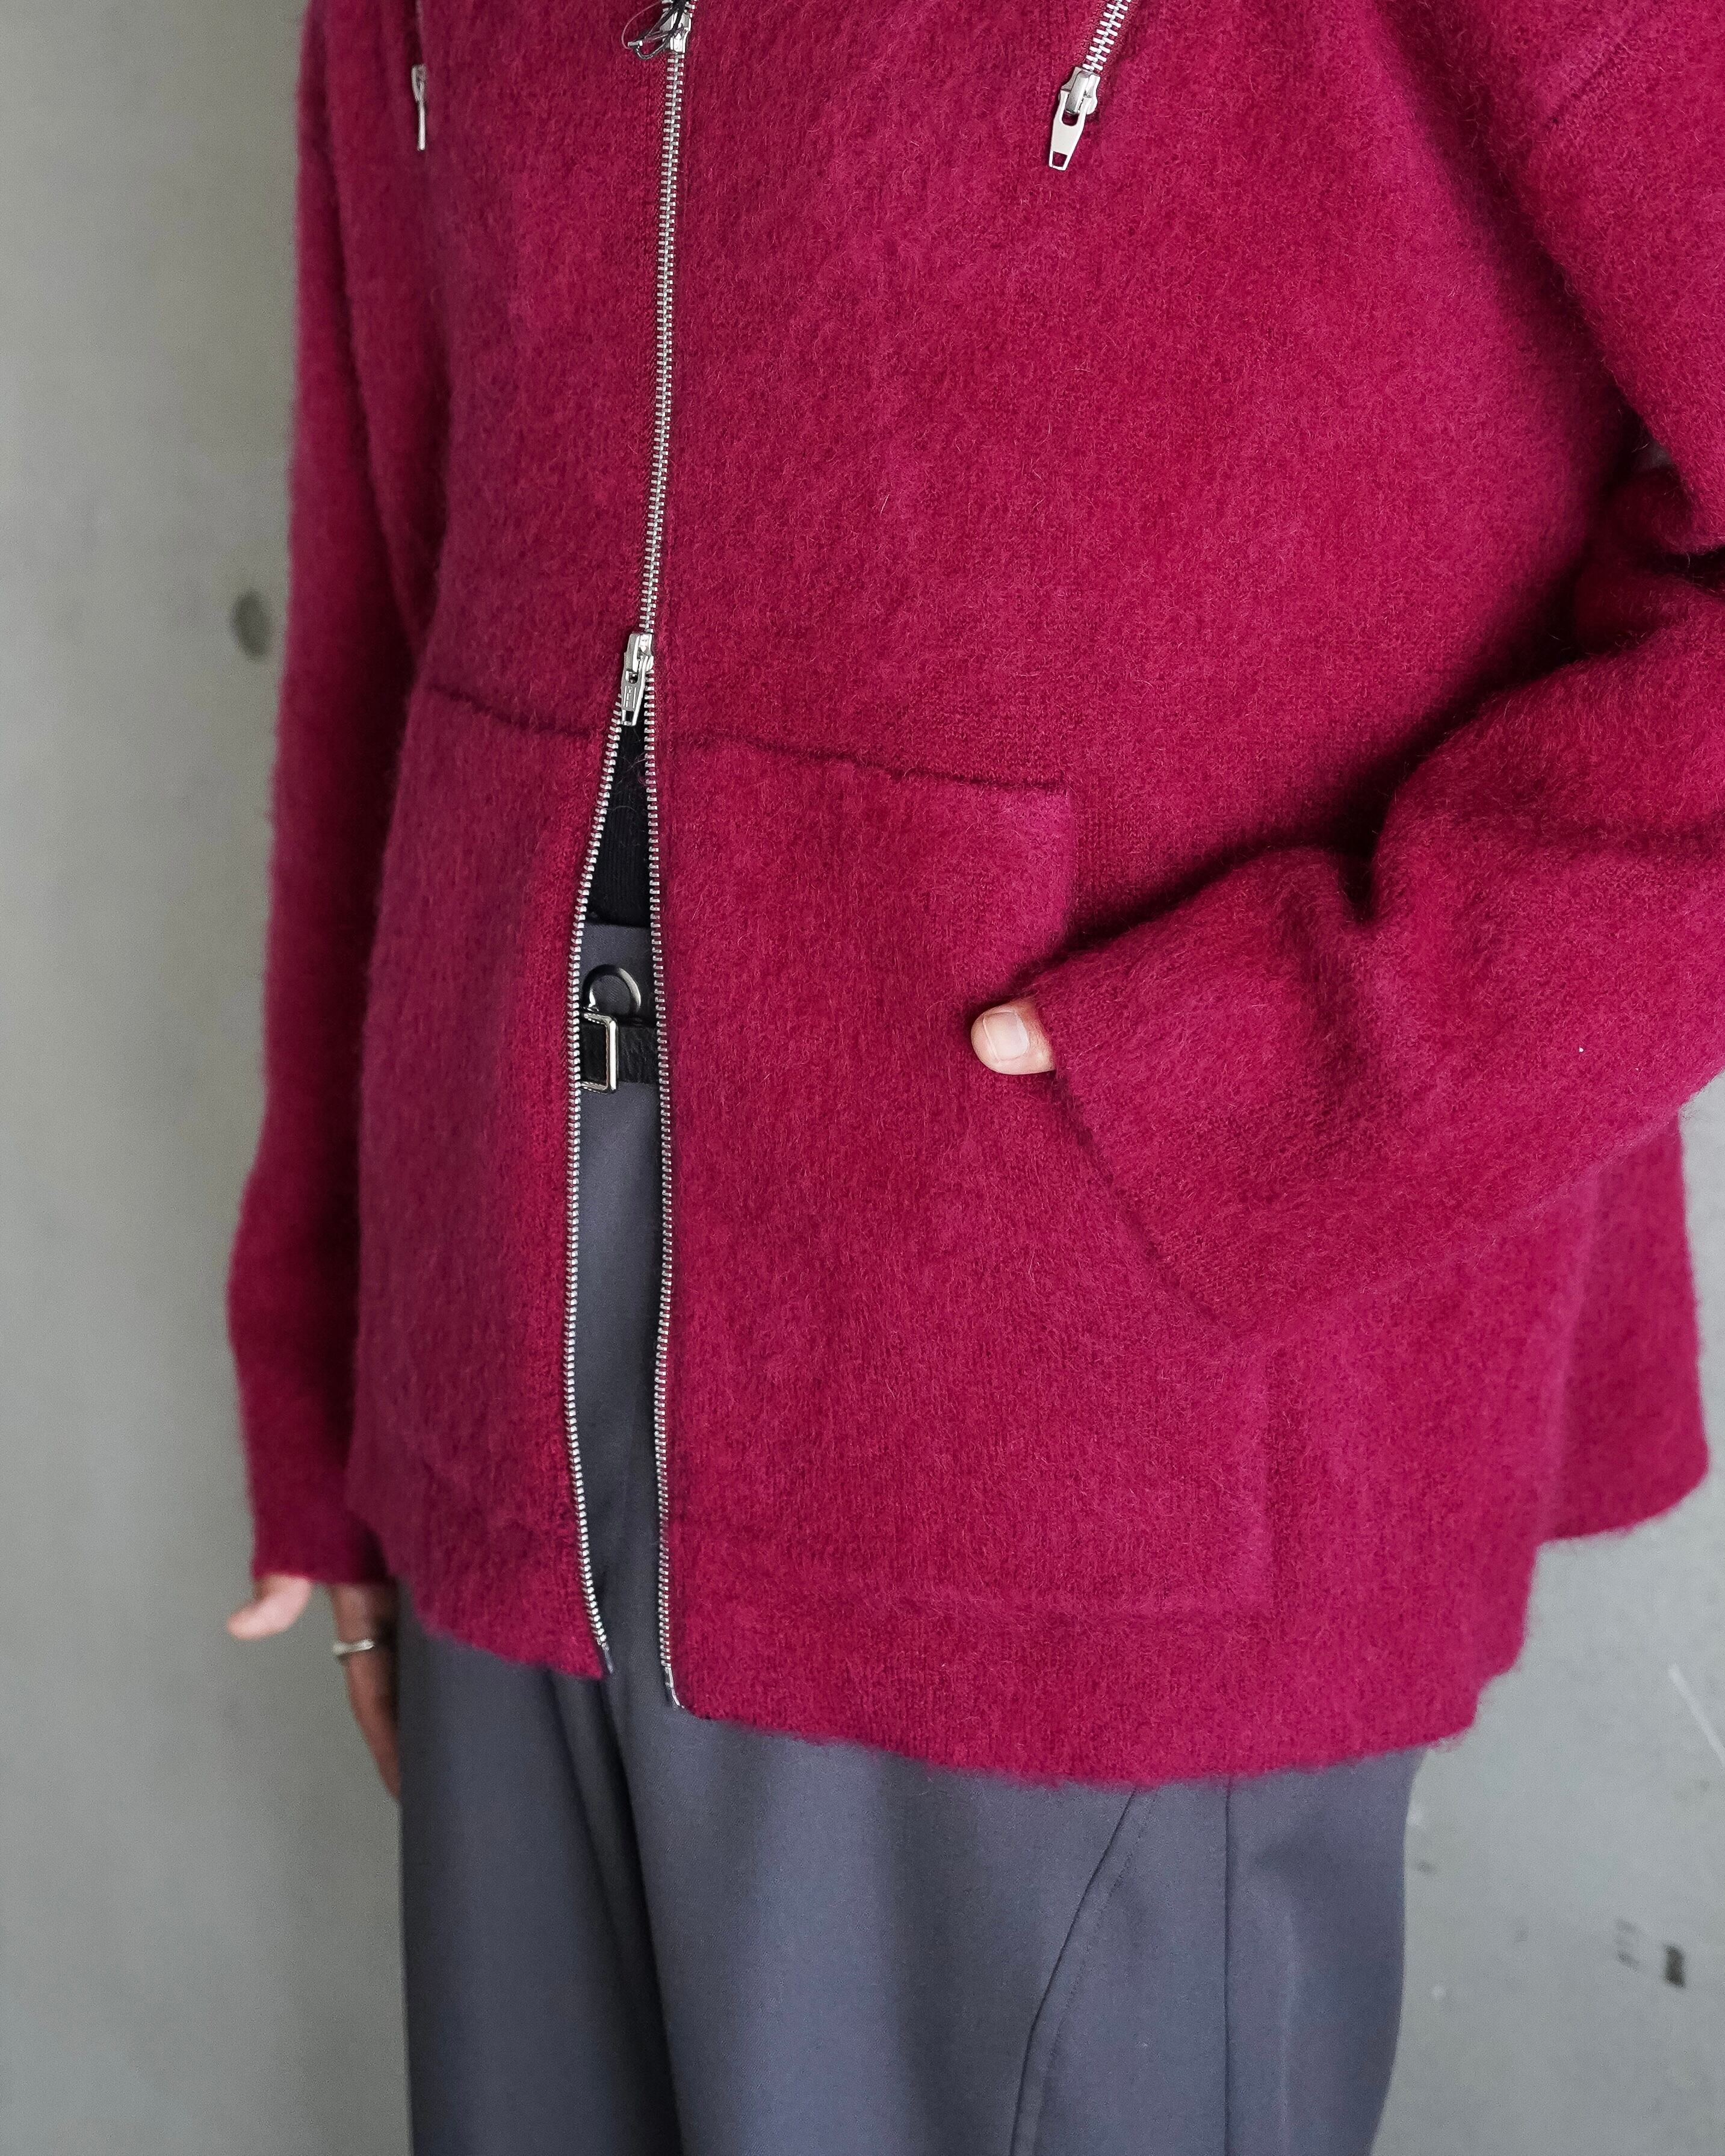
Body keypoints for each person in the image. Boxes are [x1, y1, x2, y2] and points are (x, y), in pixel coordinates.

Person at [224, 0, 1724, 2148]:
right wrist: (330, 1347)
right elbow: (392, 555)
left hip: (1096, 1388)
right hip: (506, 1346)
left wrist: (1311, 1061)